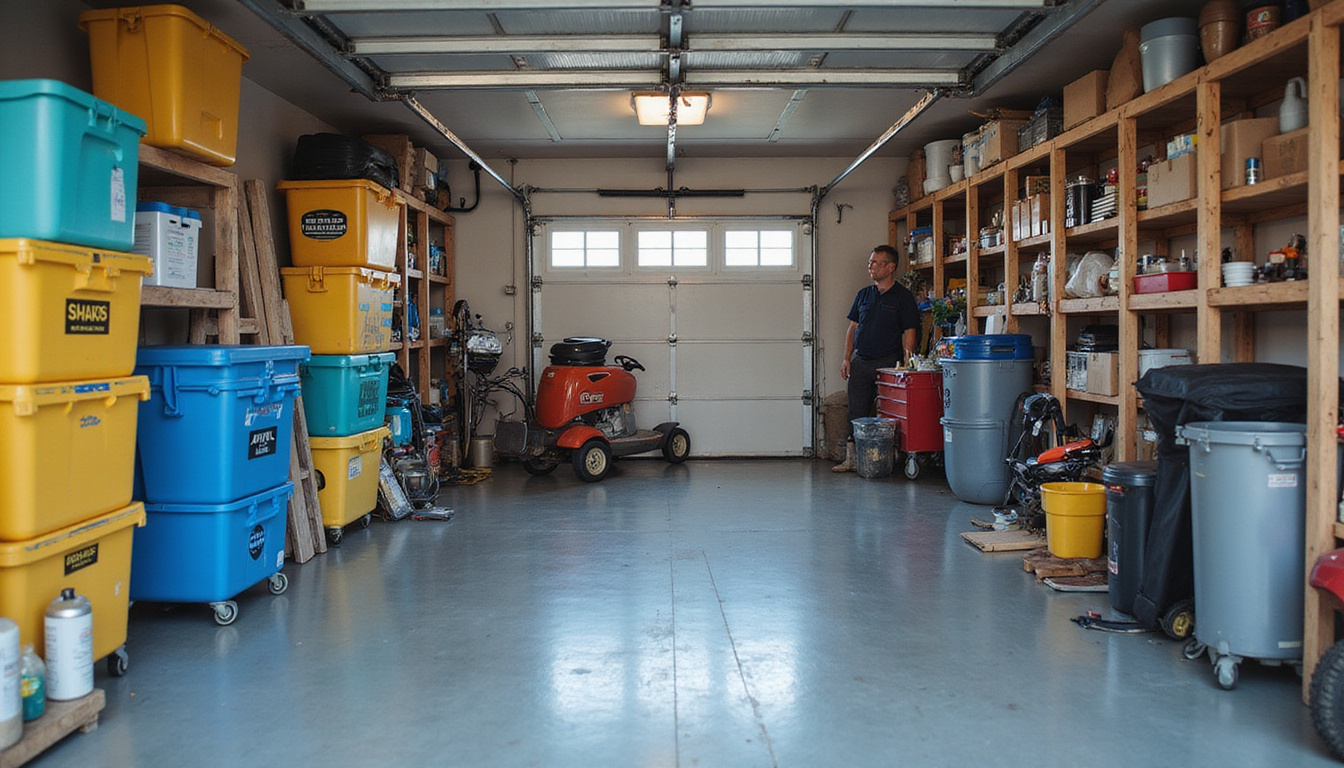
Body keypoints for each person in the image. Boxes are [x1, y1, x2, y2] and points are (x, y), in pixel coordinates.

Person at [833, 244, 920, 473]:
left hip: (888, 364)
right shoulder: (863, 294)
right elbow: (852, 328)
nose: (870, 266)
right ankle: (852, 459)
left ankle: (887, 458)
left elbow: (910, 332)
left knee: (889, 413)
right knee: (856, 411)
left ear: (890, 267)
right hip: (861, 362)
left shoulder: (903, 298)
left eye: (875, 263)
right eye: (870, 262)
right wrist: (846, 358)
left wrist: (906, 366)